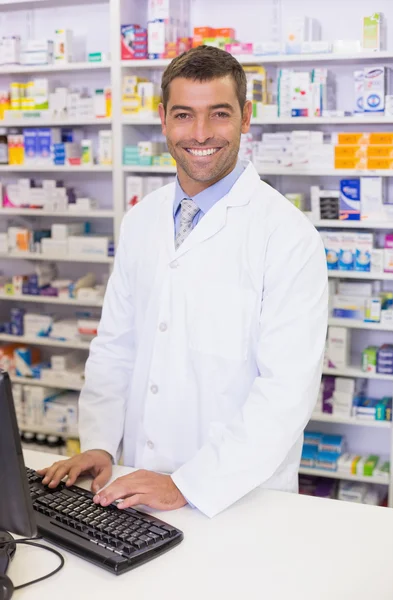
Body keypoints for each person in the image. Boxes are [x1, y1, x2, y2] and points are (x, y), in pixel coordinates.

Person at [39, 45, 328, 518]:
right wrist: (99, 444)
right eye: (183, 115)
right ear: (162, 120)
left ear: (246, 117)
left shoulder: (288, 237)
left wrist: (188, 485)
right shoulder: (141, 220)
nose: (200, 133)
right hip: (130, 487)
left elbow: (286, 392)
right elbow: (115, 346)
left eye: (219, 114)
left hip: (238, 498)